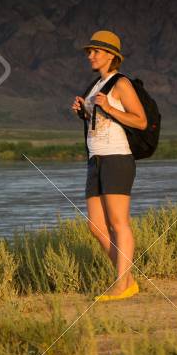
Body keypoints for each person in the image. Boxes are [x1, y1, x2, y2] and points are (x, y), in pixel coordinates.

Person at [71, 30, 147, 301]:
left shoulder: (121, 83)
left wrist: (110, 108)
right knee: (96, 227)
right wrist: (84, 112)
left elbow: (140, 121)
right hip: (96, 160)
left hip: (117, 158)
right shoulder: (96, 86)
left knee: (118, 223)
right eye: (89, 52)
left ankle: (121, 284)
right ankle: (128, 279)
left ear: (111, 56)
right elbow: (100, 121)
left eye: (96, 52)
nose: (90, 56)